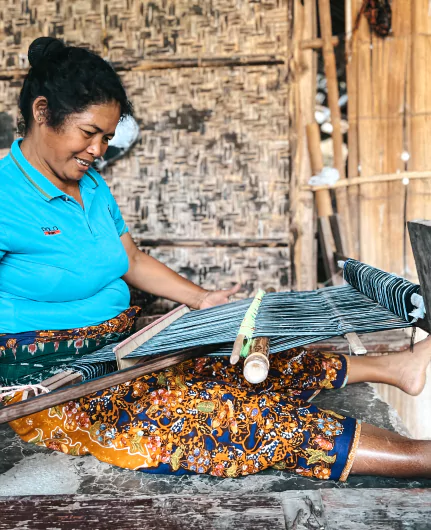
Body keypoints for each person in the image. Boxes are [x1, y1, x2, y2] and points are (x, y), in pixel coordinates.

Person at [1, 37, 431, 482]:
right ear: (41, 112)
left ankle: (396, 367)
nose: (98, 150)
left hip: (123, 349)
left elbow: (129, 257)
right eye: (88, 133)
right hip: (62, 386)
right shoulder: (4, 195)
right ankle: (421, 458)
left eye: (106, 138)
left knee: (245, 359)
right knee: (231, 419)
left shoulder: (91, 187)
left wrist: (202, 299)